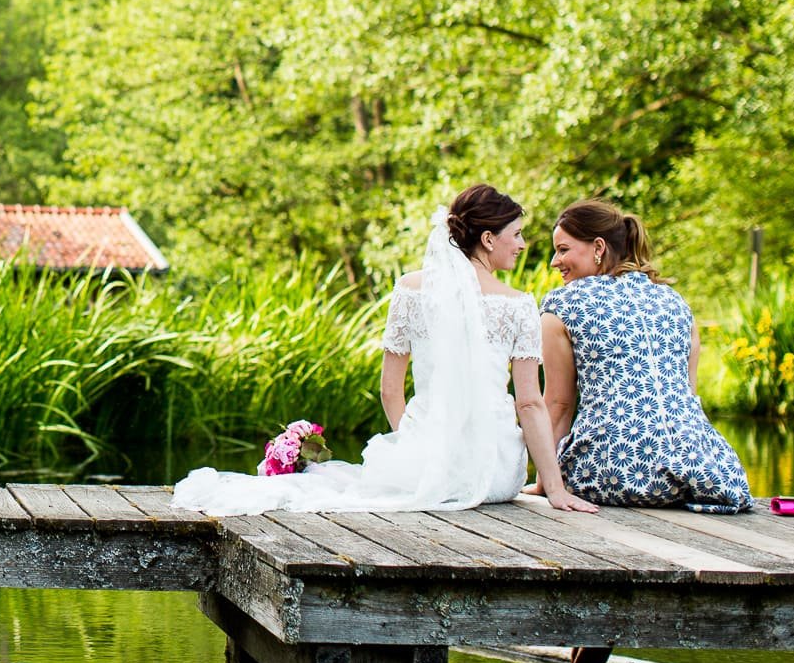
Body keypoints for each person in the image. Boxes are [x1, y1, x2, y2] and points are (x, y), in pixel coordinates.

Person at [174, 184, 598, 515]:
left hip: (420, 463)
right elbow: (530, 405)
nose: (523, 245)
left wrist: (417, 447)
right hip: (493, 475)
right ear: (488, 239)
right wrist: (555, 490)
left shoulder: (412, 291)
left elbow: (390, 391)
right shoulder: (518, 305)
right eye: (517, 234)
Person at [541, 199, 752, 515]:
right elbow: (688, 398)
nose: (555, 262)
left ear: (598, 247)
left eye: (563, 249)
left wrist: (547, 483)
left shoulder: (561, 305)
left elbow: (558, 406)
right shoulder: (675, 302)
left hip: (607, 471)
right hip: (699, 470)